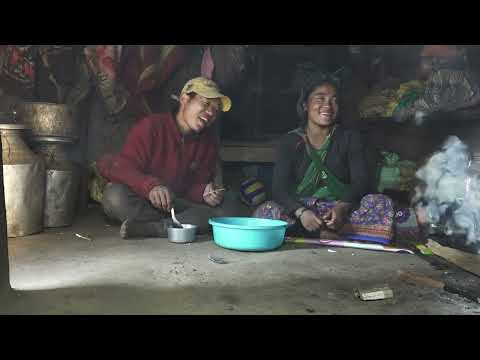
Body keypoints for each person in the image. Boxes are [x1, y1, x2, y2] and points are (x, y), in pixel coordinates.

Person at [253, 69, 410, 244]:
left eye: (334, 100)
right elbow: (279, 189)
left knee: (380, 202)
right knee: (266, 211)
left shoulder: (350, 138)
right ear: (305, 104)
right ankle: (324, 234)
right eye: (320, 99)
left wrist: (342, 207)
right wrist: (301, 212)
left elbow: (361, 181)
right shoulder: (289, 141)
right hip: (303, 210)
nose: (328, 106)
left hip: (339, 209)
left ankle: (316, 234)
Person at [97, 77, 244, 239]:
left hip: (176, 204)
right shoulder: (151, 126)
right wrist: (151, 187)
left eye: (215, 110)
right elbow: (120, 167)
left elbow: (191, 187)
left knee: (228, 208)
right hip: (145, 200)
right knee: (114, 196)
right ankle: (177, 224)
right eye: (206, 104)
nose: (210, 113)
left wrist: (203, 192)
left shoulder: (207, 143)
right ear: (184, 99)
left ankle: (153, 228)